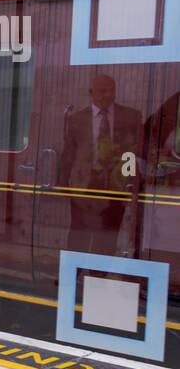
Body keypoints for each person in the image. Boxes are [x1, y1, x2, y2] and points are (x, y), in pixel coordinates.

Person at [57, 74, 142, 255]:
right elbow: (69, 154)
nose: (107, 95)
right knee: (80, 235)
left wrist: (133, 184)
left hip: (115, 186)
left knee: (108, 237)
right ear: (91, 92)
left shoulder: (131, 116)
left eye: (111, 91)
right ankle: (74, 274)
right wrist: (62, 183)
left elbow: (136, 153)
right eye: (102, 91)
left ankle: (98, 276)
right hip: (84, 186)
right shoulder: (77, 119)